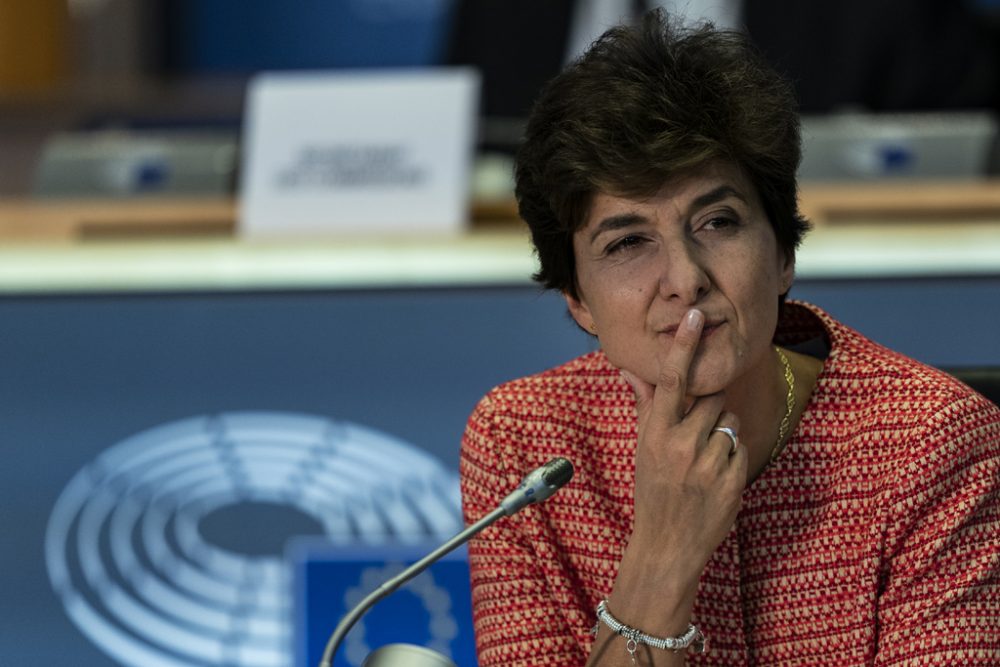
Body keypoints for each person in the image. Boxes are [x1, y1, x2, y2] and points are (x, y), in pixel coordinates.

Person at [459, 10, 1000, 666]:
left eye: (718, 222)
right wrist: (660, 558)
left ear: (782, 257)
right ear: (578, 299)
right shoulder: (527, 447)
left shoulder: (932, 443)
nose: (685, 279)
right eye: (629, 242)